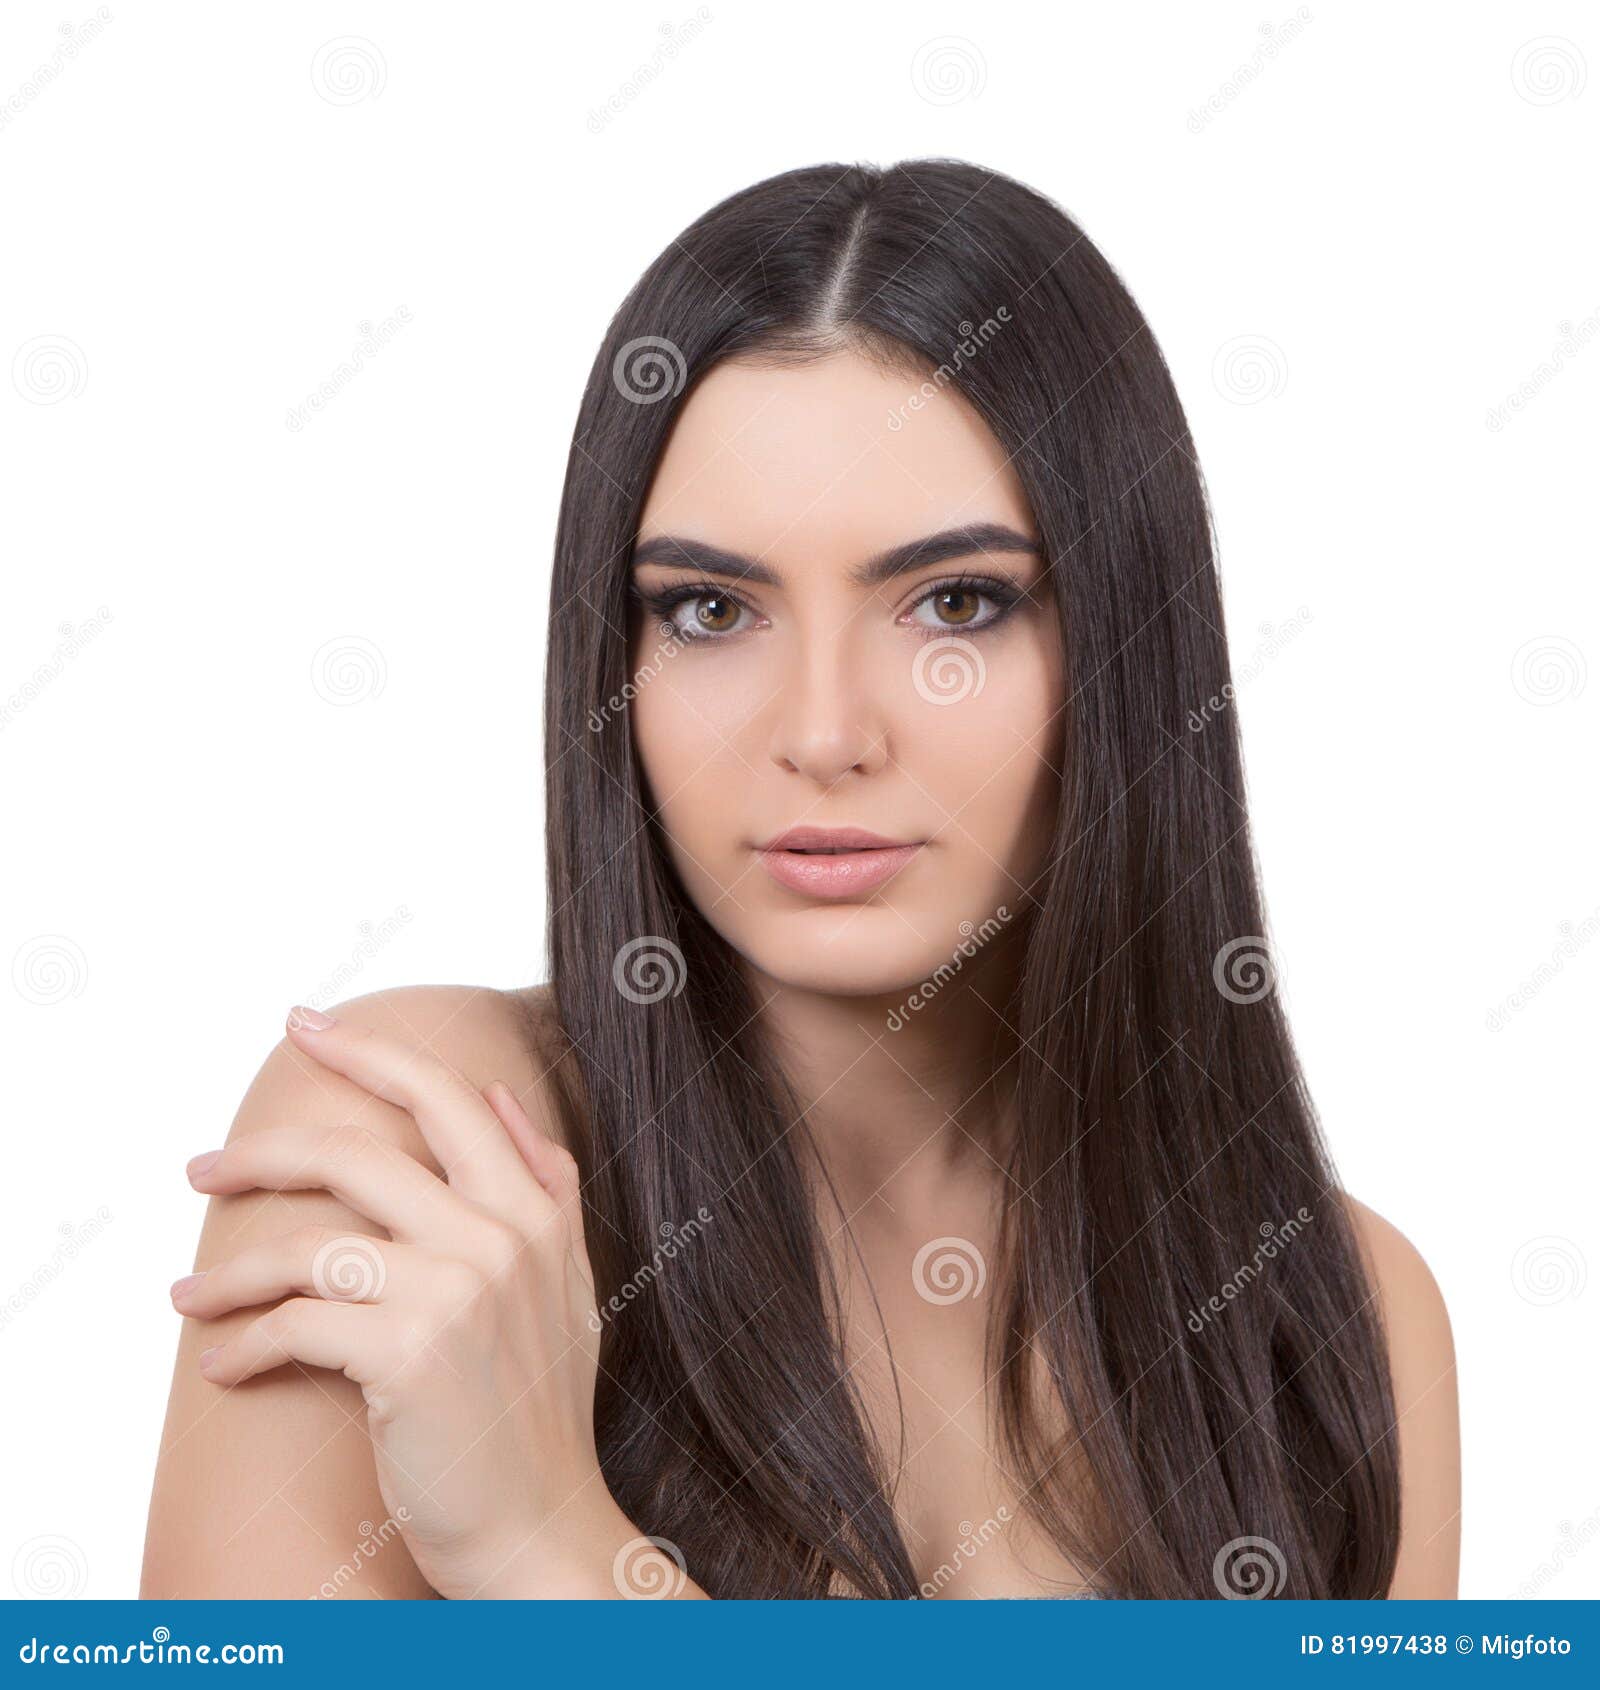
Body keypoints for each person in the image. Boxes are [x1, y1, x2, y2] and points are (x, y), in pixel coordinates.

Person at [141, 159, 1459, 1600]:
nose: (824, 733)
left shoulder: (1332, 1318)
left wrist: (548, 1548)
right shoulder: (424, 1149)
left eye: (956, 602)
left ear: (1121, 650)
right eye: (710, 610)